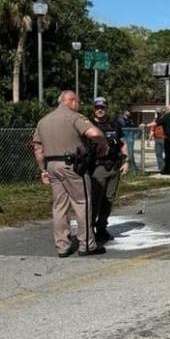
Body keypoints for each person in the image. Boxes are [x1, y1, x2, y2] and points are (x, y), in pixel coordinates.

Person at [31, 90, 109, 257]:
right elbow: (94, 133)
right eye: (78, 102)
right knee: (82, 202)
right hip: (72, 166)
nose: (79, 105)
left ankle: (62, 246)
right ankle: (87, 244)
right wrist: (103, 144)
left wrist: (43, 169)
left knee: (59, 206)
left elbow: (38, 148)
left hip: (52, 165)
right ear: (71, 101)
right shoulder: (74, 117)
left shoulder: (43, 121)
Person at [89, 97, 129, 244]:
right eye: (97, 107)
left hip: (113, 166)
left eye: (103, 107)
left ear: (107, 108)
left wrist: (126, 161)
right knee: (95, 200)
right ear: (93, 108)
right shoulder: (89, 124)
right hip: (97, 167)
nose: (100, 110)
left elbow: (123, 143)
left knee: (109, 199)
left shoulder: (114, 124)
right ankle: (89, 229)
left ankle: (101, 228)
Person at [144, 108, 166, 173]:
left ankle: (166, 166)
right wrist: (148, 140)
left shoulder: (165, 119)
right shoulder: (155, 120)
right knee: (158, 153)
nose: (158, 114)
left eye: (159, 112)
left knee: (167, 154)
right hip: (157, 139)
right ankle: (161, 167)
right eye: (157, 113)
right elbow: (152, 131)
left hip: (165, 138)